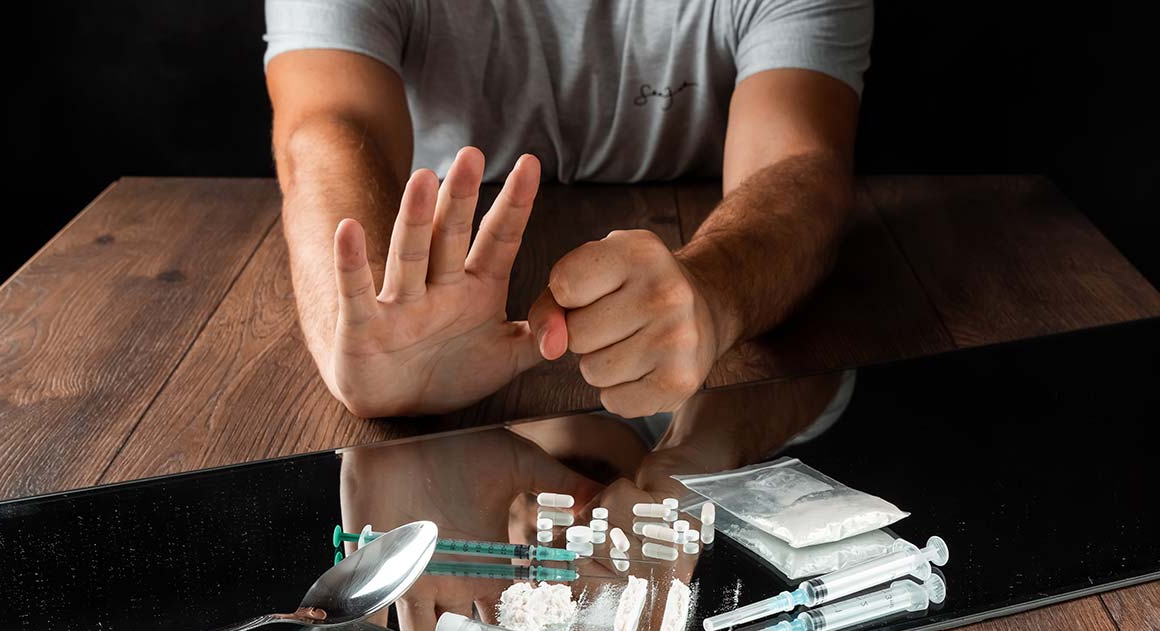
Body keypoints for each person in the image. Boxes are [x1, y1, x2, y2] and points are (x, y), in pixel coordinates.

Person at [263, 0, 872, 418]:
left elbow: (801, 164)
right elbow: (326, 130)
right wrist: (363, 323)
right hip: (438, 269)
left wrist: (713, 292)